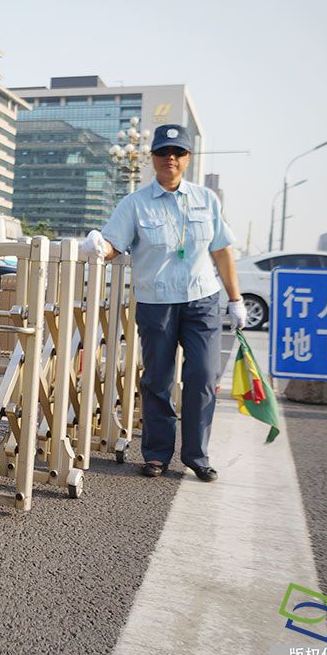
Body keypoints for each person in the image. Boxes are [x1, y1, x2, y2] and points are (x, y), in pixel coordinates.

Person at [100, 124, 244, 483]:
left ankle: (197, 455)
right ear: (151, 158)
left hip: (202, 300)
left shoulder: (207, 200)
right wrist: (95, 247)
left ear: (188, 159)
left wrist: (236, 299)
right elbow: (113, 244)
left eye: (177, 153)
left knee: (203, 377)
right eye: (163, 153)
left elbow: (222, 251)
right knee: (159, 380)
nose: (170, 159)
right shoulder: (134, 203)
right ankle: (157, 455)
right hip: (156, 302)